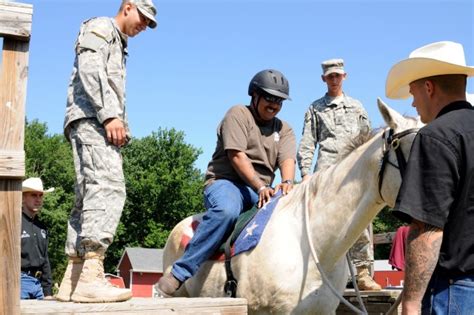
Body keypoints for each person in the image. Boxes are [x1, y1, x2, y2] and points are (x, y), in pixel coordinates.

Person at [156, 69, 296, 297]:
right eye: (269, 98)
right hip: (227, 182)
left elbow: (287, 159)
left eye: (279, 100)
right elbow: (237, 156)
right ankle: (179, 273)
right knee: (226, 211)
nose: (274, 104)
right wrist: (260, 186)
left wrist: (288, 182)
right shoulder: (238, 114)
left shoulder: (284, 129)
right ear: (254, 95)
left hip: (262, 190)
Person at [58, 0, 157, 303]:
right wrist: (109, 114)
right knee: (108, 188)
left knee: (87, 196)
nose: (144, 25)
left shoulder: (118, 40)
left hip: (91, 119)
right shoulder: (102, 26)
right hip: (93, 119)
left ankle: (73, 279)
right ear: (128, 6)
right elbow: (90, 69)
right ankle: (91, 273)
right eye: (143, 17)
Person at [386, 41, 474, 314]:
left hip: (453, 292)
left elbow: (428, 231)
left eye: (412, 92)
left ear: (429, 87)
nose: (412, 102)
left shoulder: (435, 137)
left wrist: (411, 303)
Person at [297, 59, 380, 291]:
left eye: (338, 75)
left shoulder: (357, 107)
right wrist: (305, 173)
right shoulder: (315, 108)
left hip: (354, 172)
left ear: (345, 77)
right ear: (324, 79)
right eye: (330, 76)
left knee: (360, 217)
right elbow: (307, 142)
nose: (334, 79)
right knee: (323, 219)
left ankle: (362, 273)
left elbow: (368, 140)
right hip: (326, 172)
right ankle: (321, 271)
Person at [21, 177, 54, 300]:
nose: (38, 199)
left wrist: (48, 292)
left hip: (38, 284)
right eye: (34, 195)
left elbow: (45, 260)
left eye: (40, 195)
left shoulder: (42, 227)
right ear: (23, 197)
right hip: (19, 282)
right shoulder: (13, 224)